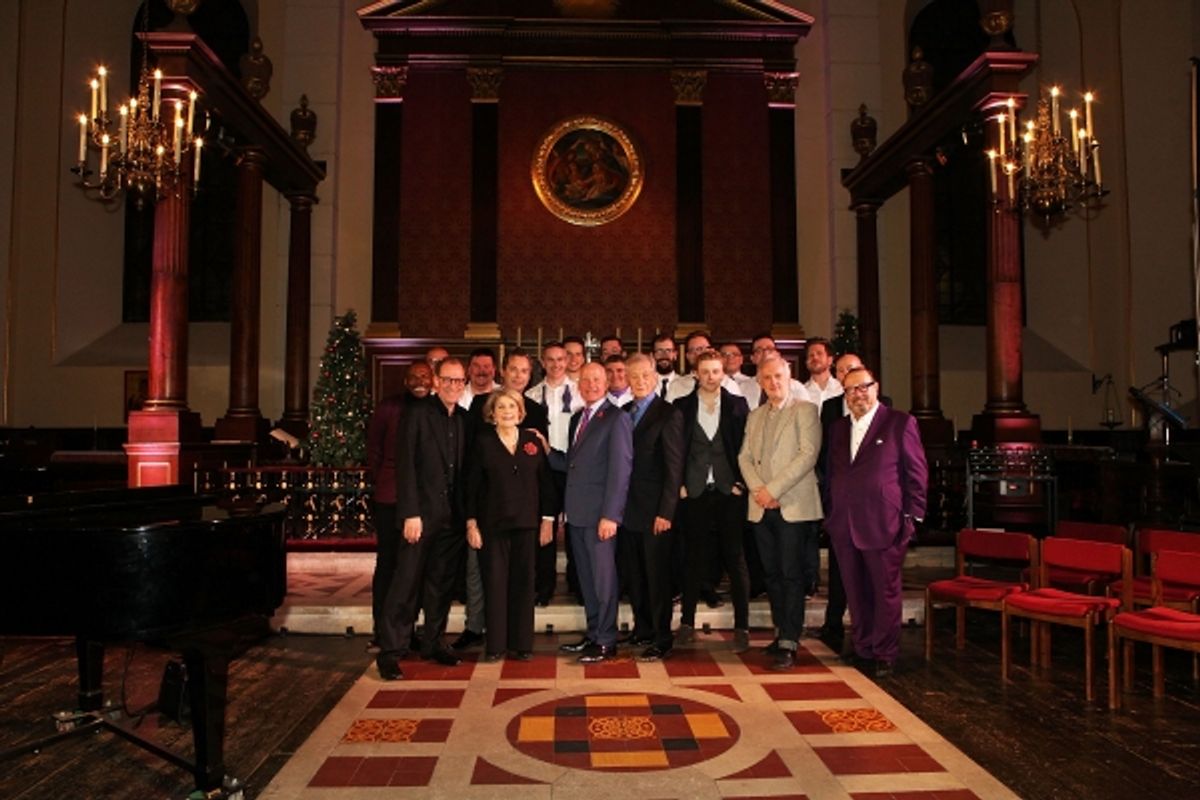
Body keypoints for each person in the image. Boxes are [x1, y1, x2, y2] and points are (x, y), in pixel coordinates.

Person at [822, 366, 928, 677]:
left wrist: (911, 518)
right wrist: (831, 511)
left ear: (876, 387)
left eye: (864, 387)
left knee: (884, 591)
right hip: (844, 524)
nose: (859, 394)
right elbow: (831, 474)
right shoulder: (838, 429)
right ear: (845, 394)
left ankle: (885, 652)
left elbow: (917, 476)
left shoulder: (899, 423)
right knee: (855, 591)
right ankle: (864, 647)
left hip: (885, 524)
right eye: (851, 389)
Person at [376, 358, 469, 680]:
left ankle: (433, 642)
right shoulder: (415, 414)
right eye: (449, 380)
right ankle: (391, 651)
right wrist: (410, 513)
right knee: (406, 583)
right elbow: (405, 466)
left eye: (460, 381)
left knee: (440, 585)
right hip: (420, 516)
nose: (454, 386)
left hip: (451, 520)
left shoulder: (464, 419)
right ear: (436, 381)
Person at [738, 354, 822, 670]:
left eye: (779, 377)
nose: (774, 383)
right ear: (759, 382)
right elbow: (744, 457)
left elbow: (807, 455)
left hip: (793, 506)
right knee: (771, 574)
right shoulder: (755, 416)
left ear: (789, 379)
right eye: (767, 378)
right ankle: (779, 632)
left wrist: (772, 490)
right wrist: (760, 490)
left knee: (791, 573)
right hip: (761, 507)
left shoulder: (805, 411)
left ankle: (790, 639)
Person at [551, 361, 633, 663]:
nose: (592, 385)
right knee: (586, 579)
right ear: (578, 384)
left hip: (601, 516)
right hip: (577, 514)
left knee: (603, 580)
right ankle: (594, 633)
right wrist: (546, 449)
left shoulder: (616, 418)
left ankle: (607, 640)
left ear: (607, 381)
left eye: (597, 380)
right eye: (585, 381)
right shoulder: (578, 419)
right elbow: (572, 464)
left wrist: (611, 515)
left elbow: (620, 471)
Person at [465, 390, 556, 661]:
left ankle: (522, 644)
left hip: (527, 524)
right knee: (495, 584)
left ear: (520, 412)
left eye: (512, 406)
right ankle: (496, 646)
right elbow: (470, 488)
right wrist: (472, 524)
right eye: (501, 407)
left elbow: (546, 484)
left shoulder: (532, 441)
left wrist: (547, 520)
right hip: (492, 526)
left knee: (524, 584)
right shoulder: (482, 442)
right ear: (492, 414)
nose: (507, 411)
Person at [673, 349, 752, 652]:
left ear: (724, 373)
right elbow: (675, 450)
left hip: (727, 492)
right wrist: (679, 484)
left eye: (716, 371)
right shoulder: (681, 406)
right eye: (704, 371)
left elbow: (748, 446)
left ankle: (742, 626)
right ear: (695, 374)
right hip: (693, 493)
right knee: (693, 559)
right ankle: (687, 623)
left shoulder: (737, 405)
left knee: (735, 558)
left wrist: (741, 483)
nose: (710, 377)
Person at [619, 354, 684, 661]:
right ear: (627, 381)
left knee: (657, 577)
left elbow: (674, 469)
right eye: (634, 377)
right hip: (627, 511)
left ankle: (662, 636)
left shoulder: (668, 414)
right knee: (635, 575)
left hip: (655, 513)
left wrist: (666, 512)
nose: (640, 381)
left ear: (655, 378)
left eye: (645, 376)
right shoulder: (623, 412)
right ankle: (642, 628)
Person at [365, 361, 433, 654]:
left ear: (433, 380)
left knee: (415, 570)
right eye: (413, 377)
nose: (419, 381)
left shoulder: (435, 407)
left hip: (424, 501)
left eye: (424, 376)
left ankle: (407, 630)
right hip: (391, 498)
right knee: (389, 566)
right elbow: (374, 450)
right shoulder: (389, 407)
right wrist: (380, 482)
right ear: (405, 380)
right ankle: (382, 631)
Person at [526, 341, 583, 604]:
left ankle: (577, 582)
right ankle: (544, 587)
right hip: (543, 469)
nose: (557, 364)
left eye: (561, 359)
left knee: (575, 528)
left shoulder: (581, 392)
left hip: (573, 467)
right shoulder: (531, 396)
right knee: (544, 527)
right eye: (551, 359)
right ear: (542, 362)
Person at [816, 351, 866, 648]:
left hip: (872, 508)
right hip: (840, 505)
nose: (849, 374)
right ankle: (833, 622)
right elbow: (826, 456)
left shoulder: (883, 407)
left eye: (854, 369)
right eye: (843, 371)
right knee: (838, 567)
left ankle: (866, 629)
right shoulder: (831, 408)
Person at [666, 330, 742, 402]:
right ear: (687, 356)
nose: (697, 354)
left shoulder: (728, 384)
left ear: (712, 351)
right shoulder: (677, 385)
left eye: (701, 349)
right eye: (692, 350)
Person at [801, 337, 843, 407]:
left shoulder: (841, 389)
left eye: (819, 354)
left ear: (830, 360)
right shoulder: (802, 392)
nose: (815, 358)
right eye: (811, 355)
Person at [720, 341, 760, 407]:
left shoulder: (753, 383)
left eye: (734, 354)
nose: (730, 358)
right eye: (724, 355)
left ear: (741, 359)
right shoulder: (713, 383)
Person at [651, 333, 679, 398]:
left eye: (668, 350)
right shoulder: (645, 385)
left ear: (675, 355)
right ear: (652, 355)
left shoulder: (686, 385)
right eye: (659, 351)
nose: (664, 355)